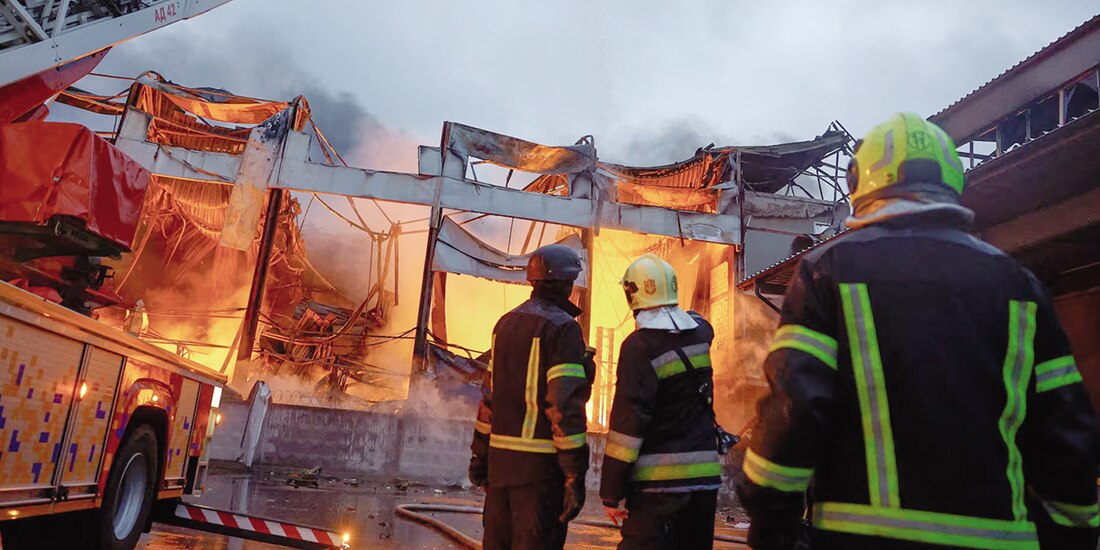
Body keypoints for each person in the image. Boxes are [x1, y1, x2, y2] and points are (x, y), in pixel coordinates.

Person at [736, 113, 1100, 549]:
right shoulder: (1019, 285)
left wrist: (771, 524)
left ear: (858, 182)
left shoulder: (830, 272)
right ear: (951, 179)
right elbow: (1064, 431)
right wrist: (1073, 532)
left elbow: (795, 410)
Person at [468, 243, 594, 550]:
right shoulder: (564, 329)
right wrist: (574, 474)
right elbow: (564, 406)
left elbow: (489, 400)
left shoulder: (506, 324)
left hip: (501, 469)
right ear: (566, 284)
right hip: (540, 475)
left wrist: (480, 455)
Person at [600, 254, 721, 550]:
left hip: (659, 486)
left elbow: (628, 426)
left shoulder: (638, 347)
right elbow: (699, 320)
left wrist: (611, 491)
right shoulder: (700, 334)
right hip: (705, 482)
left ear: (631, 293)